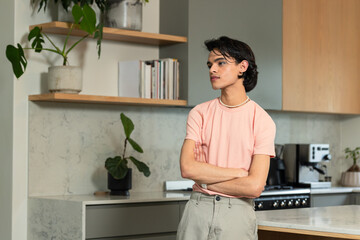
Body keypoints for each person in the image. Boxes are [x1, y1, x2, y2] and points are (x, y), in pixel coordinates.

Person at [177, 36, 276, 240]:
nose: (212, 70)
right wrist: (239, 173)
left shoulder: (262, 120)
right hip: (197, 211)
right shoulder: (199, 113)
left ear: (242, 66)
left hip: (237, 215)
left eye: (220, 62)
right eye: (210, 64)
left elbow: (254, 186)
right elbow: (187, 168)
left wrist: (205, 182)